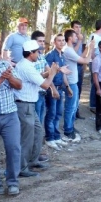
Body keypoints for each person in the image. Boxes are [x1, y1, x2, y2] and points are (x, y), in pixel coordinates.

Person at [14, 40, 59, 177]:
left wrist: (47, 74)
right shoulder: (26, 67)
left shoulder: (27, 64)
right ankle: (22, 168)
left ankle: (32, 161)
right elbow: (45, 85)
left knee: (38, 132)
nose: (39, 54)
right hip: (25, 105)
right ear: (30, 53)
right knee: (27, 138)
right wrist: (52, 73)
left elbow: (35, 79)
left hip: (29, 105)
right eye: (37, 52)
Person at [0, 39, 22, 196]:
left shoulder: (5, 66)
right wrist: (1, 79)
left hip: (10, 115)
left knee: (14, 148)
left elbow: (19, 85)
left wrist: (10, 78)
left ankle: (13, 182)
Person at [63, 28, 95, 142]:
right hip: (71, 82)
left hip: (73, 81)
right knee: (70, 107)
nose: (77, 37)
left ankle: (70, 127)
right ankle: (68, 130)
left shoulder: (70, 49)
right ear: (70, 38)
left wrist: (87, 48)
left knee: (73, 107)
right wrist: (91, 49)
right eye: (75, 36)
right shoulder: (68, 50)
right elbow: (85, 61)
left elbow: (80, 58)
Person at [43, 34, 70, 151]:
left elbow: (63, 73)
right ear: (54, 42)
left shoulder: (62, 55)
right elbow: (49, 74)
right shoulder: (50, 56)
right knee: (51, 114)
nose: (61, 42)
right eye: (59, 40)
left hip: (60, 87)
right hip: (52, 88)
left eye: (63, 40)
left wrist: (68, 87)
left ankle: (56, 136)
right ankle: (49, 138)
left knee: (58, 113)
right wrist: (53, 89)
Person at [70, 20, 85, 120]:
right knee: (73, 90)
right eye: (76, 27)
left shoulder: (80, 37)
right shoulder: (71, 38)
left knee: (79, 88)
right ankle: (71, 113)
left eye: (79, 27)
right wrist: (79, 40)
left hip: (80, 65)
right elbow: (73, 53)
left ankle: (76, 110)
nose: (78, 29)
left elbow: (81, 52)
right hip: (72, 66)